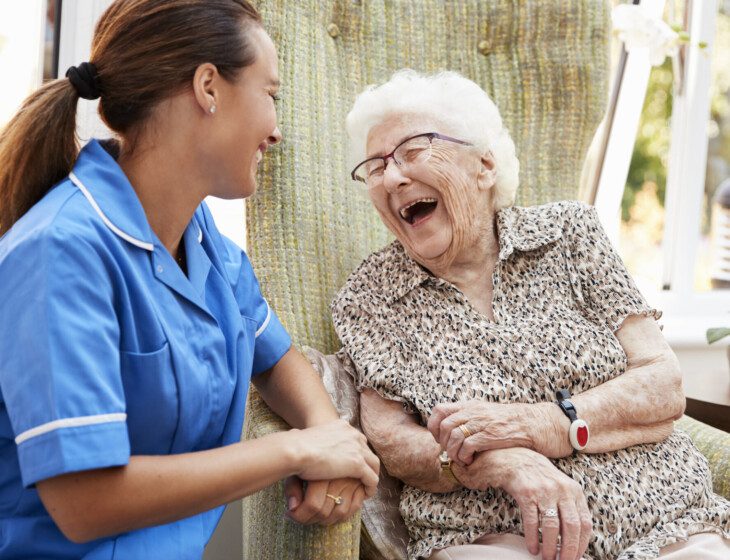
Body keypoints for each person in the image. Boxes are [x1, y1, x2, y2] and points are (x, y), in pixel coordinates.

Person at [0, 1, 379, 558]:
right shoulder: (59, 252)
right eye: (270, 94)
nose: (276, 130)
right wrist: (297, 451)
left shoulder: (199, 237)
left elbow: (271, 354)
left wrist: (332, 436)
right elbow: (84, 503)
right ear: (208, 87)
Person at [332, 69, 730, 560]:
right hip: (498, 536)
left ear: (484, 166)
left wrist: (537, 425)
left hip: (669, 522)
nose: (393, 176)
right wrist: (507, 463)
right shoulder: (370, 296)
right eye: (376, 167)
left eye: (414, 151)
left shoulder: (569, 233)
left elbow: (662, 384)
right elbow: (394, 443)